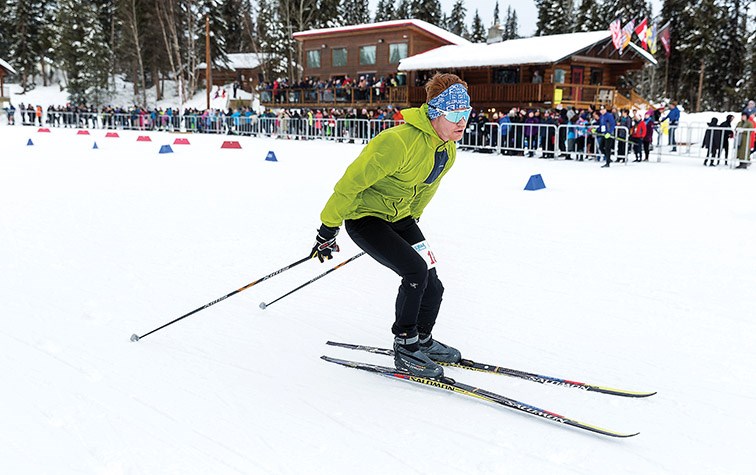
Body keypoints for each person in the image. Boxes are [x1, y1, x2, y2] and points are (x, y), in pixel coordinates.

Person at [310, 73, 469, 378]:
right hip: (366, 218)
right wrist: (327, 230)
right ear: (436, 112)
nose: (462, 121)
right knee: (415, 272)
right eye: (455, 114)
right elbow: (349, 184)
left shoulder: (447, 150)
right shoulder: (396, 143)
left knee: (433, 285)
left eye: (466, 114)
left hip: (401, 218)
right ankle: (406, 345)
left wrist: (412, 223)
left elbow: (425, 188)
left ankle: (423, 338)